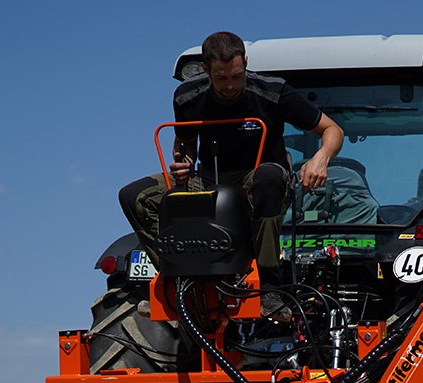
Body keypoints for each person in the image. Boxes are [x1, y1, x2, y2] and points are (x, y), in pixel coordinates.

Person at [119, 31, 342, 281]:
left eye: (236, 76)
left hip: (259, 180)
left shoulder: (273, 92)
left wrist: (320, 158)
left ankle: (268, 279)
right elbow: (185, 143)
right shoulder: (187, 96)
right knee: (134, 196)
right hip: (209, 179)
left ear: (245, 63)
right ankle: (178, 271)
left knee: (267, 177)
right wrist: (184, 162)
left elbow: (332, 129)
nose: (229, 86)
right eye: (220, 77)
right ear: (205, 69)